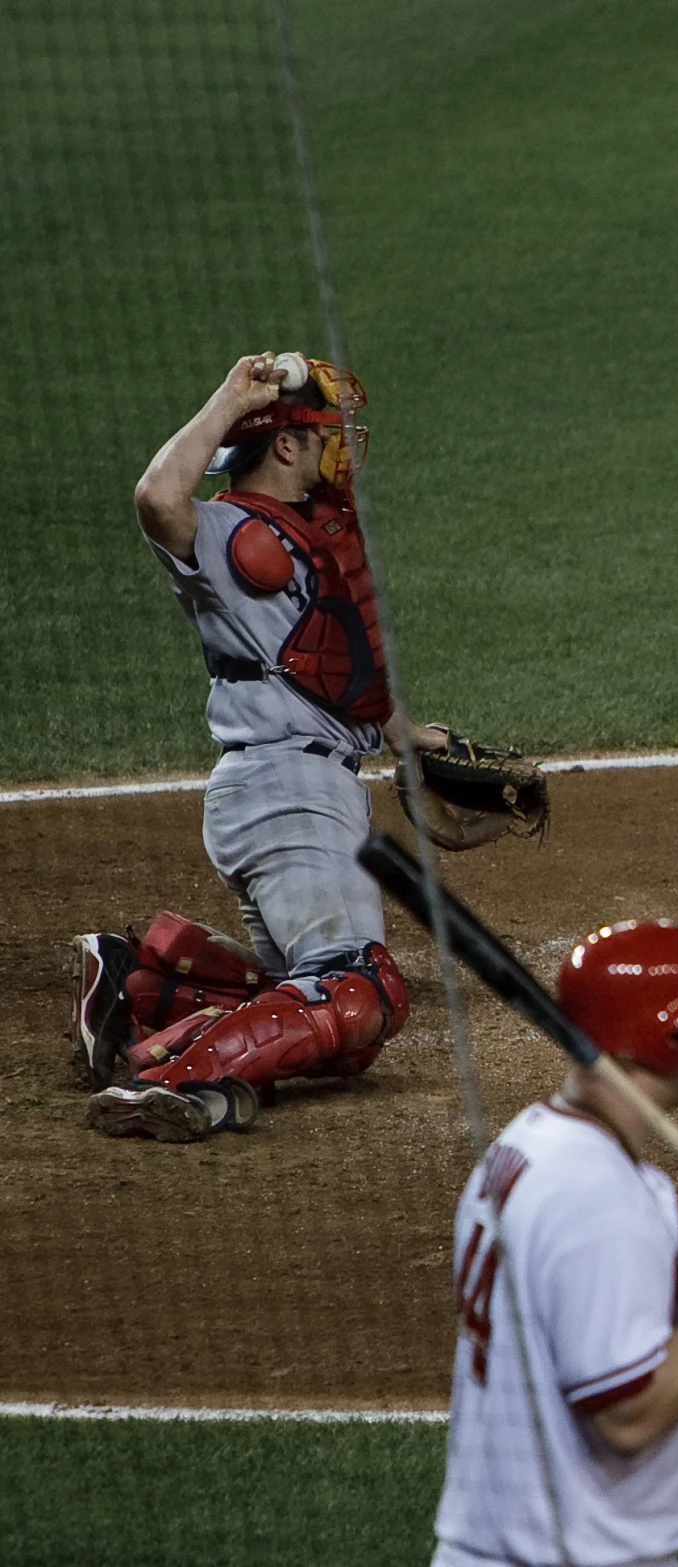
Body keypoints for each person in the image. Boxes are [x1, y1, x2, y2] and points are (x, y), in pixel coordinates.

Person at [76, 352, 448, 1141]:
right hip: (288, 793)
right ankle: (182, 1082)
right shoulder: (227, 528)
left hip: (295, 790)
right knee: (359, 987)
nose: (343, 445)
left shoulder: (302, 533)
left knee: (340, 1032)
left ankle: (137, 982)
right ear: (283, 446)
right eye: (324, 432)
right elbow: (154, 496)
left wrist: (407, 739)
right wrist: (228, 398)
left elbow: (325, 672)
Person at [431, 920, 678, 1567]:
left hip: (503, 1542)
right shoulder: (598, 1196)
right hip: (565, 1552)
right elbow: (628, 1416)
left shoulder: (522, 1144)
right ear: (677, 1033)